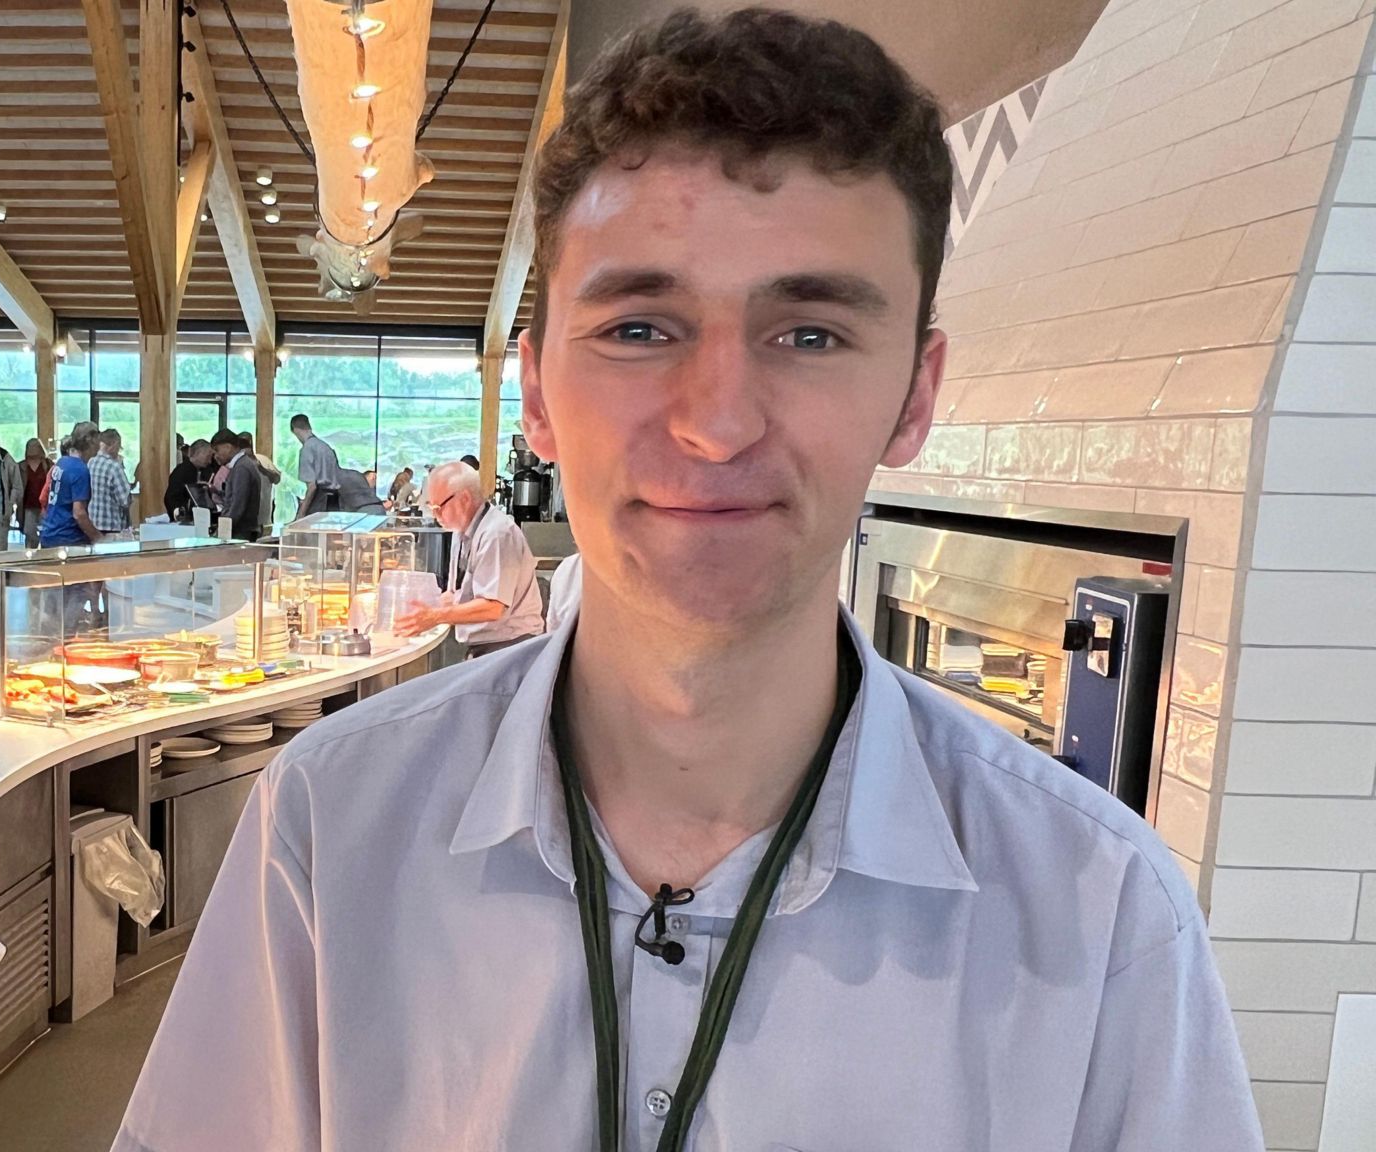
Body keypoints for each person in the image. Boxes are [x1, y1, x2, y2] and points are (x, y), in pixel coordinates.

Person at [116, 10, 1264, 1152]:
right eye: (638, 328)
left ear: (913, 396)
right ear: (536, 395)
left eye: (808, 334)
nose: (715, 425)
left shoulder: (1099, 911)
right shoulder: (331, 829)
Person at [391, 462, 544, 655]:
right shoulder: (460, 530)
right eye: (432, 508)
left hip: (511, 647)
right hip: (486, 646)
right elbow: (457, 594)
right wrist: (420, 607)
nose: (436, 515)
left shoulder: (497, 533)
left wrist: (435, 616)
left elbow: (492, 607)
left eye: (439, 507)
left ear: (464, 498)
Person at [38, 428, 102, 548]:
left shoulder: (62, 462)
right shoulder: (80, 470)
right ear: (90, 443)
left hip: (50, 530)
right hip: (68, 538)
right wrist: (97, 537)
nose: (99, 448)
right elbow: (78, 513)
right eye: (97, 443)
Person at [209, 429, 264, 542]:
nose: (215, 456)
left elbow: (237, 505)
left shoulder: (241, 468)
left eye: (217, 450)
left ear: (228, 447)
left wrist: (221, 532)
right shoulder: (242, 464)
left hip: (240, 532)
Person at [289, 413, 340, 516]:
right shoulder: (326, 447)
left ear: (295, 430)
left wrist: (301, 513)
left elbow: (312, 486)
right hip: (335, 501)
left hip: (319, 501)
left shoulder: (307, 449)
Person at [87, 428, 133, 537]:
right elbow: (125, 500)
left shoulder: (90, 462)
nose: (118, 451)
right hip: (111, 526)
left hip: (92, 524)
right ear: (113, 445)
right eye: (118, 447)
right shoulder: (114, 467)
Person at [165, 439, 215, 522]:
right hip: (185, 516)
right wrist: (178, 514)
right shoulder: (181, 471)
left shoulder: (207, 470)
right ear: (197, 453)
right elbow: (171, 497)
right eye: (208, 457)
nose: (210, 461)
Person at [20, 437, 50, 546]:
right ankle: (30, 554)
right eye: (30, 447)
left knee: (46, 531)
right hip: (28, 505)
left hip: (45, 505)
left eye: (34, 447)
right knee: (29, 532)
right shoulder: (21, 466)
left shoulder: (48, 464)